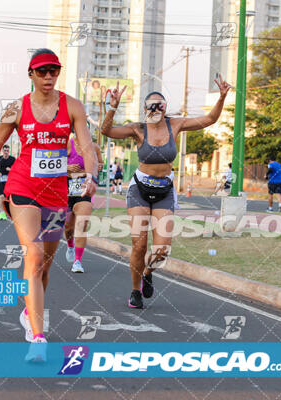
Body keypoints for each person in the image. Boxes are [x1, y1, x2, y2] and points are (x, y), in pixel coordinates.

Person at [0, 48, 97, 362]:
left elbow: (86, 145)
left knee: (44, 266)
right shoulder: (16, 109)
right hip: (22, 188)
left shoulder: (72, 106)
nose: (49, 77)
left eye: (54, 71)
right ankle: (38, 336)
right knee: (32, 256)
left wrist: (91, 173)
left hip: (56, 193)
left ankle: (28, 312)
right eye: (42, 71)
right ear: (31, 74)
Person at [100, 75, 231, 309]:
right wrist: (112, 107)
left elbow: (210, 119)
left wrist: (222, 97)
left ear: (165, 107)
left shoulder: (175, 124)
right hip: (139, 190)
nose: (156, 109)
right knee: (139, 245)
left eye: (160, 105)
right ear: (144, 109)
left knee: (161, 249)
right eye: (152, 106)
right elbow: (106, 131)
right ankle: (135, 290)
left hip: (164, 192)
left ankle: (148, 272)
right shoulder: (137, 129)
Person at [64, 136, 103, 273]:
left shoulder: (95, 148)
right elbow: (54, 162)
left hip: (84, 190)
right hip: (66, 189)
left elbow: (100, 165)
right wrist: (67, 167)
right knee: (68, 228)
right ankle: (70, 246)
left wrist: (96, 168)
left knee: (82, 224)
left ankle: (77, 261)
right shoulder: (69, 144)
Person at [0, 144, 15, 220]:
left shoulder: (12, 159)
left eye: (7, 151)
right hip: (0, 179)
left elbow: (16, 168)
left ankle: (8, 212)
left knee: (8, 197)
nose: (6, 152)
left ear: (9, 151)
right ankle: (1, 213)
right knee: (2, 196)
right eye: (5, 150)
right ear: (2, 151)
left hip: (9, 180)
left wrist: (10, 170)